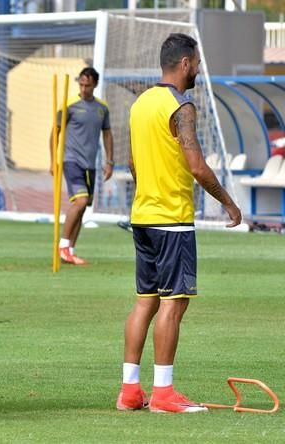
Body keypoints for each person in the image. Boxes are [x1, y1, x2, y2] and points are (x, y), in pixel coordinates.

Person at [117, 33, 241, 413]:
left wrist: (149, 195)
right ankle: (165, 393)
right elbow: (197, 166)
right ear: (185, 63)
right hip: (172, 220)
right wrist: (229, 204)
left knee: (145, 301)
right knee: (174, 303)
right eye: (198, 63)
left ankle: (130, 391)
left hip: (143, 217)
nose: (199, 69)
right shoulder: (180, 106)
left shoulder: (140, 105)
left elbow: (134, 164)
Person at [50, 67, 113, 265]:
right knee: (80, 201)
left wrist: (109, 161)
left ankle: (70, 251)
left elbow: (108, 134)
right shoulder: (70, 105)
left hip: (90, 165)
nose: (84, 88)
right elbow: (55, 132)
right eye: (81, 84)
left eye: (88, 85)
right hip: (71, 160)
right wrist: (53, 161)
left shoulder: (102, 108)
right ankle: (63, 246)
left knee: (84, 206)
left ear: (95, 84)